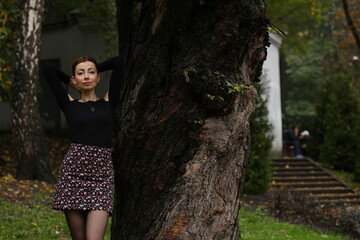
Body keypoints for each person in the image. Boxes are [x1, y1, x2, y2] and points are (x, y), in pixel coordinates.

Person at [43, 55, 124, 240]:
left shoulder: (108, 103)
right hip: (73, 176)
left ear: (98, 77)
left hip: (101, 178)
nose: (86, 76)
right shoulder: (69, 104)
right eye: (81, 73)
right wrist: (70, 81)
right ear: (75, 79)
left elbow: (119, 62)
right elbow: (48, 68)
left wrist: (95, 67)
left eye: (91, 72)